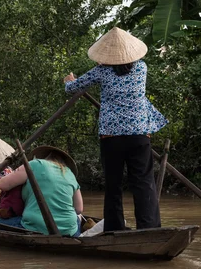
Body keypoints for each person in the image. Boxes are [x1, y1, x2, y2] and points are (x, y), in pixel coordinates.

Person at [63, 27, 168, 232]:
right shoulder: (142, 68)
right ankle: (149, 228)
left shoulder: (102, 71)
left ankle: (115, 228)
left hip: (112, 137)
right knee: (144, 183)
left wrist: (69, 81)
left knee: (113, 185)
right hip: (139, 134)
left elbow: (74, 87)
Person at [0, 146, 83, 237]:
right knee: (79, 216)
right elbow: (79, 209)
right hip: (70, 230)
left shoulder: (34, 164)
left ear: (46, 156)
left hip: (34, 225)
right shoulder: (70, 174)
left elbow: (2, 185)